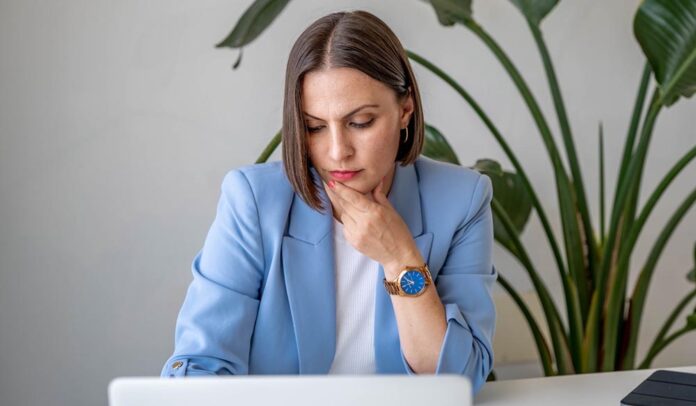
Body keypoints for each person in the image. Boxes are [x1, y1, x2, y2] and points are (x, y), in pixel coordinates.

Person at [161, 10, 496, 393]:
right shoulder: (253, 202)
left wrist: (399, 258)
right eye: (314, 127)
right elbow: (199, 366)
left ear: (405, 110)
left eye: (360, 122)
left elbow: (459, 379)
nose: (337, 152)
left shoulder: (461, 200)